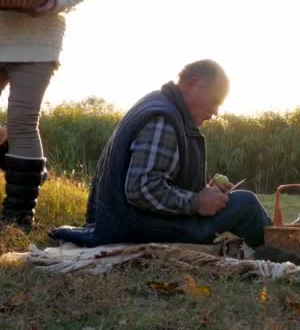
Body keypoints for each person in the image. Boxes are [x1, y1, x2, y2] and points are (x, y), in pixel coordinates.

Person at [51, 59, 273, 248]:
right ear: (193, 84)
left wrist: (201, 190)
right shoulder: (163, 120)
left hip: (130, 222)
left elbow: (156, 177)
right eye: (215, 101)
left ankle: (284, 238)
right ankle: (286, 249)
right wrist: (196, 202)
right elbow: (141, 188)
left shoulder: (162, 105)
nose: (216, 112)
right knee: (246, 203)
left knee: (239, 202)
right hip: (135, 228)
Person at [0, 0, 91, 232]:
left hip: (37, 39)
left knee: (22, 123)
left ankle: (17, 220)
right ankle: (27, 169)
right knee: (17, 132)